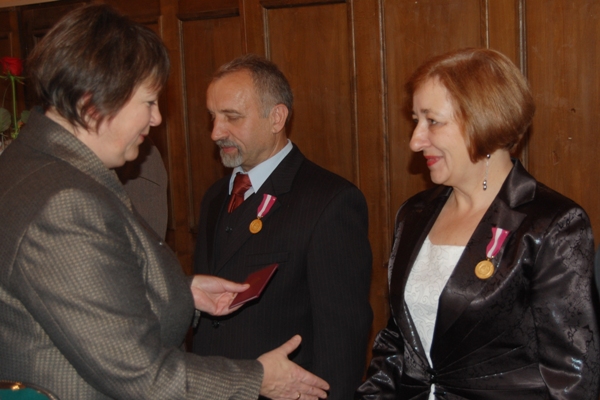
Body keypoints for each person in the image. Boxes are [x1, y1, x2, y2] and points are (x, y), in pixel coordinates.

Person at [0, 5, 330, 400]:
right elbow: (140, 375)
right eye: (148, 102)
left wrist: (181, 291)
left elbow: (81, 298)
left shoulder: (28, 158)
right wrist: (257, 379)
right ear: (94, 102)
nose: (157, 119)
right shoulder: (64, 203)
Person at [356, 48, 600, 399]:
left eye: (432, 121)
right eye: (415, 120)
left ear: (484, 120)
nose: (415, 140)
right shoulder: (414, 214)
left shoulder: (551, 224)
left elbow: (572, 378)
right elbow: (397, 342)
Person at [192, 54, 373, 400]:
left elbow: (342, 340)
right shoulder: (215, 196)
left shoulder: (330, 201)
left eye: (232, 117)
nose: (216, 132)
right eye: (212, 117)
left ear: (276, 117)